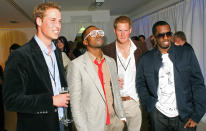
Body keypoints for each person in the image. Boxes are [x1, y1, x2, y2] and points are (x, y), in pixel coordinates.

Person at [3, 2, 69, 131]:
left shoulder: (57, 53)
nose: (58, 26)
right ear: (39, 21)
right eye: (53, 20)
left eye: (60, 21)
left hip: (61, 122)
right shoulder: (19, 56)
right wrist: (50, 101)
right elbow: (11, 101)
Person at [136, 21, 206, 131]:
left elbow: (198, 83)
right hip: (158, 115)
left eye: (168, 34)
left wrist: (197, 114)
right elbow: (140, 83)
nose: (166, 38)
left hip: (184, 114)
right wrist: (149, 105)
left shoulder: (186, 53)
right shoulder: (146, 59)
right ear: (154, 37)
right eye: (161, 35)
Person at [67, 25, 126, 131]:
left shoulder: (111, 62)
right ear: (85, 42)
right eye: (93, 34)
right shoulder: (76, 65)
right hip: (93, 125)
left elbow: (116, 91)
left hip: (115, 122)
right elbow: (75, 103)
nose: (98, 35)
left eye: (99, 32)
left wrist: (122, 117)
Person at [102, 16, 148, 131]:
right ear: (114, 30)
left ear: (130, 30)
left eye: (125, 30)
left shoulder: (140, 47)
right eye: (119, 30)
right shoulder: (106, 50)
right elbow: (100, 74)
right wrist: (110, 79)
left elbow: (147, 70)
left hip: (135, 102)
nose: (123, 34)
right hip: (115, 103)